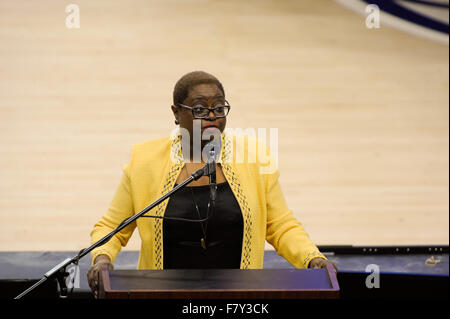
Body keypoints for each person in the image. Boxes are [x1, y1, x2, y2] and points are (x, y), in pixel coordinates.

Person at [87, 71, 337, 295]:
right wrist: (102, 258)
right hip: (164, 293)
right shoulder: (144, 161)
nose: (212, 117)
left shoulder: (254, 157)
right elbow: (112, 227)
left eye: (218, 108)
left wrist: (312, 258)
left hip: (239, 297)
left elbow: (281, 225)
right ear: (176, 112)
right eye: (199, 109)